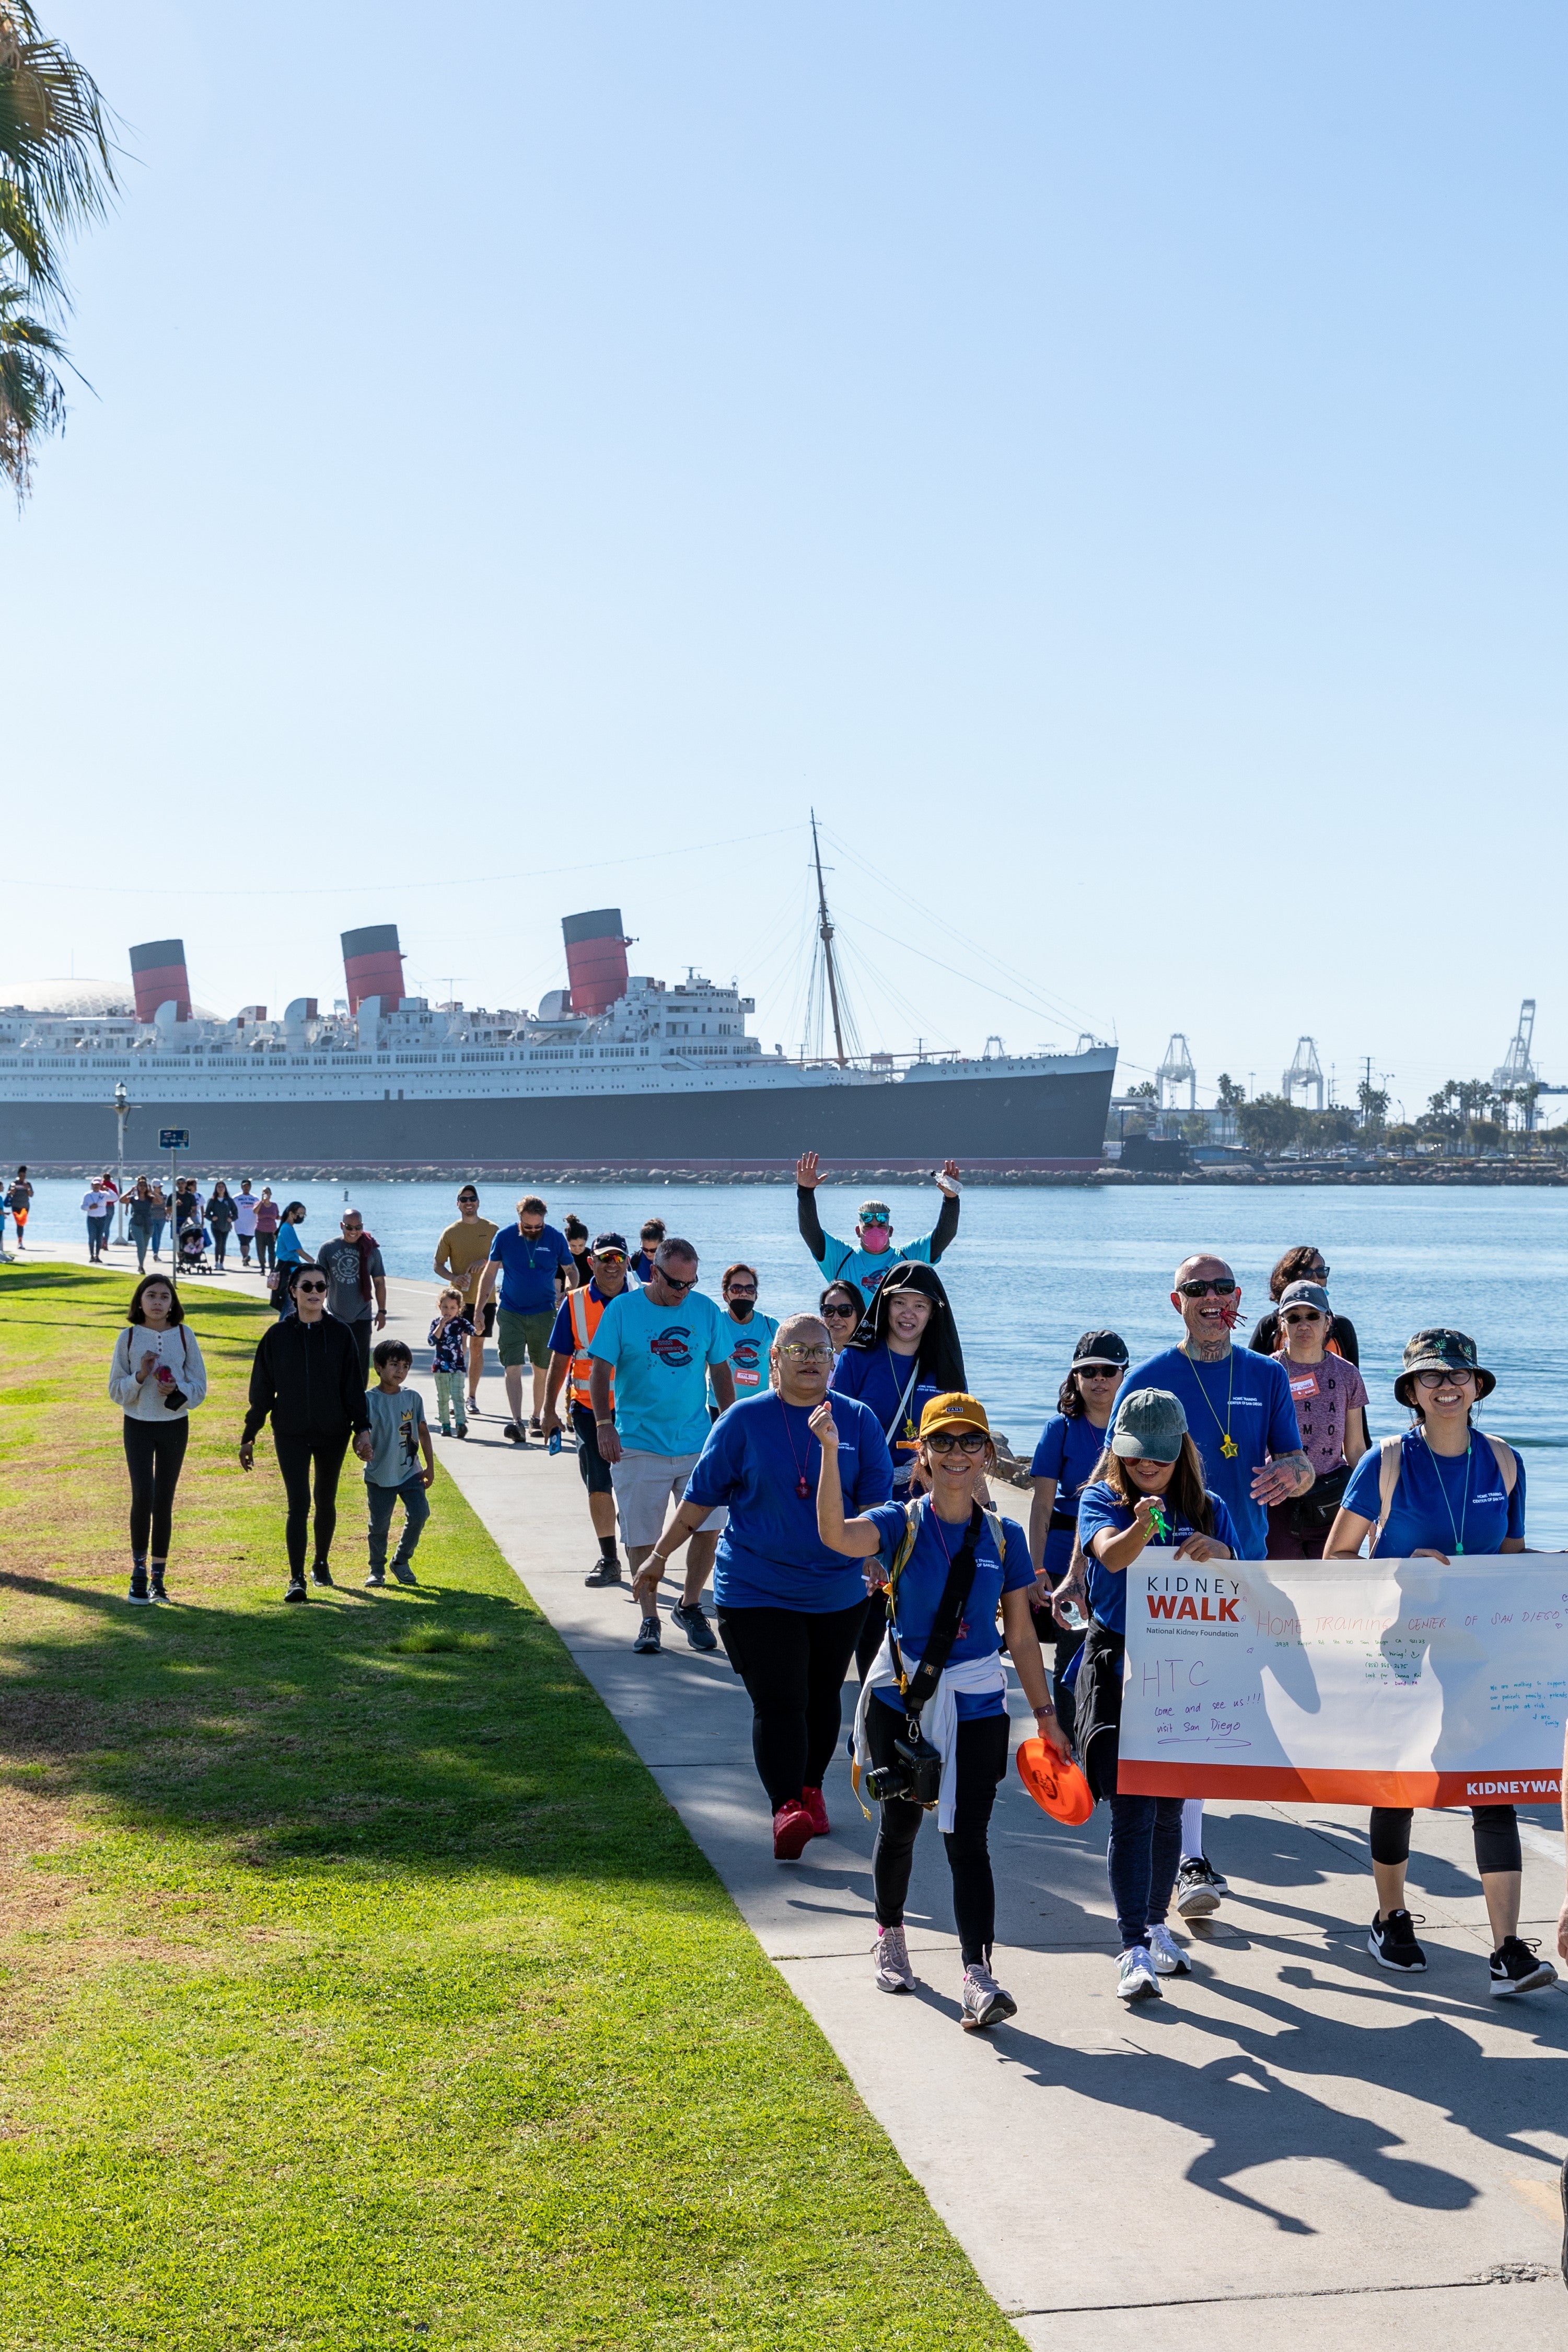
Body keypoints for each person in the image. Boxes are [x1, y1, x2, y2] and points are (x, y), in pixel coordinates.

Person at [816, 1390, 1067, 2030]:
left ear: (986, 1453)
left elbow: (1018, 1636)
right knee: (899, 1829)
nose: (957, 1453)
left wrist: (1045, 1715)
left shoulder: (1005, 1537)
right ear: (922, 1454)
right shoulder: (901, 1522)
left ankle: (978, 1976)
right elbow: (835, 1535)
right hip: (903, 1703)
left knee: (968, 1840)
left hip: (979, 1703)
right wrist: (826, 1453)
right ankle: (890, 1934)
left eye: (969, 1441)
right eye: (944, 1441)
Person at [1326, 1328, 1556, 1997]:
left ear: (1477, 1386)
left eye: (1458, 1374)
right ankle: (1390, 1916)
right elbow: (1335, 1563)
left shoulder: (1506, 1462)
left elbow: (1509, 1562)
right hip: (1398, 1653)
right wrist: (1403, 1568)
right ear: (1411, 1393)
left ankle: (1507, 1951)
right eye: (1430, 1377)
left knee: (1494, 1793)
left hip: (1478, 1659)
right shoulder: (1386, 1461)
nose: (1446, 1384)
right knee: (1397, 1788)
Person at [635, 1316, 893, 1858]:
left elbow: (875, 1507)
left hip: (836, 1590)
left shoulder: (860, 1421)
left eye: (820, 1350)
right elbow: (700, 1499)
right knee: (780, 1699)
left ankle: (810, 1790)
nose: (810, 1358)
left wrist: (877, 1557)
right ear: (774, 1357)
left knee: (823, 1696)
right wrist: (658, 1557)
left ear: (834, 1358)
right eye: (797, 1349)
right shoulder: (741, 1421)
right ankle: (785, 1809)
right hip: (755, 1588)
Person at [1122, 1253, 1311, 1914]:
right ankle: (1190, 1859)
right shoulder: (1148, 1379)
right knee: (1187, 1716)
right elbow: (1111, 1473)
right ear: (1175, 1301)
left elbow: (1295, 1456)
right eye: (1196, 1289)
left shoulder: (1265, 1373)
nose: (1211, 1298)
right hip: (1171, 1579)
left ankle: (1180, 1849)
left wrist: (1295, 1474)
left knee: (1222, 1715)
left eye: (1223, 1288)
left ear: (1236, 1299)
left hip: (1244, 1563)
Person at [1075, 1389, 1239, 2005]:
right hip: (1121, 1666)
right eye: (1137, 1458)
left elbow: (1247, 1583)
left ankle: (1154, 1924)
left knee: (1170, 1808)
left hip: (1188, 1671)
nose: (1148, 1468)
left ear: (1181, 1453)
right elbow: (1108, 1558)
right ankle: (1131, 1946)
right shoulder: (1100, 1499)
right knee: (1132, 1812)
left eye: (1160, 1460)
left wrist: (1221, 1553)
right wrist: (1140, 1526)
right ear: (1118, 1452)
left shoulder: (1210, 1506)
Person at [586, 1237, 737, 1653]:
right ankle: (649, 1617)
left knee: (710, 1526)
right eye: (675, 1284)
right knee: (642, 1536)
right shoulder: (623, 1310)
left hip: (695, 1442)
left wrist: (731, 1425)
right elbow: (600, 1371)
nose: (683, 1292)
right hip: (637, 1443)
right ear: (654, 1272)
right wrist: (604, 1424)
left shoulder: (705, 1310)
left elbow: (721, 1371)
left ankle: (689, 1605)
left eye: (690, 1283)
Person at [831, 1261, 968, 1679]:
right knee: (868, 1602)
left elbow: (962, 1439)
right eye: (900, 1303)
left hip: (923, 1502)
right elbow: (834, 1429)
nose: (909, 1314)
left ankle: (910, 1686)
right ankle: (872, 1690)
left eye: (920, 1306)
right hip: (865, 1499)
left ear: (933, 1313)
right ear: (884, 1306)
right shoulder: (856, 1359)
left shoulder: (942, 1365)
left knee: (917, 1599)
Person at [240, 1260, 374, 1601]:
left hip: (333, 1430)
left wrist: (362, 1429)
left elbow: (353, 1388)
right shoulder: (277, 1336)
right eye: (307, 1286)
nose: (315, 1292)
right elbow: (262, 1390)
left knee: (325, 1498)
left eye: (320, 1287)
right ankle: (296, 1578)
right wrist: (250, 1433)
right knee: (298, 1501)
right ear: (293, 1291)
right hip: (291, 1431)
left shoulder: (341, 1334)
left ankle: (321, 1563)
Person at [1029, 1331, 1129, 1709]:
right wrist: (1036, 1570)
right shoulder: (1060, 1429)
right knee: (1070, 1654)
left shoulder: (1134, 1426)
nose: (1098, 1380)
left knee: (1119, 1654)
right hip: (1062, 1563)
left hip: (1121, 1557)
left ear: (1124, 1375)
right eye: (1088, 1371)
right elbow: (1040, 1505)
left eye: (1108, 1371)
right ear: (1075, 1377)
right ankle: (1068, 1744)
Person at [108, 1272, 209, 1604]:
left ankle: (158, 1579)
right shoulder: (127, 1338)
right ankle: (138, 1573)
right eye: (151, 1295)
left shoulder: (185, 1336)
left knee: (164, 1500)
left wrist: (176, 1389)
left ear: (173, 1303)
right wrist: (140, 1376)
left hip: (174, 1425)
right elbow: (115, 1391)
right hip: (138, 1425)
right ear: (140, 1301)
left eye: (165, 1297)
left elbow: (200, 1388)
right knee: (143, 1496)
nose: (157, 1302)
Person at [541, 1232, 633, 1586]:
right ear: (591, 1262)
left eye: (619, 1259)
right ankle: (609, 1558)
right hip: (588, 1413)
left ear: (628, 1262)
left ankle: (641, 1551)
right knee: (598, 1484)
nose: (612, 1266)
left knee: (636, 1485)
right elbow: (560, 1357)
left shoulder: (643, 1301)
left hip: (635, 1411)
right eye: (605, 1259)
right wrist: (548, 1410)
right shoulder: (574, 1302)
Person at [1264, 1279, 1369, 1559]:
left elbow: (1356, 1448)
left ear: (1328, 1322)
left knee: (1330, 1587)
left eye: (1312, 1316)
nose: (1304, 1325)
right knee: (1281, 1587)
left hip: (1331, 1498)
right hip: (1277, 1497)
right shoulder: (1265, 1372)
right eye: (1294, 1317)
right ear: (1282, 1323)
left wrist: (1373, 1506)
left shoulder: (1348, 1374)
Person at [795, 1153, 962, 1308]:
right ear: (857, 1231)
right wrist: (805, 1192)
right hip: (852, 1339)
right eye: (868, 1226)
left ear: (890, 1231)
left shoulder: (907, 1260)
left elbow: (945, 1234)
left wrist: (951, 1199)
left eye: (881, 1226)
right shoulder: (841, 1258)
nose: (875, 1230)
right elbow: (810, 1231)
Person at [472, 1195, 574, 1442]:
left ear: (543, 1221)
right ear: (519, 1220)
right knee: (513, 1366)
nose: (533, 1230)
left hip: (544, 1312)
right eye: (528, 1226)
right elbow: (489, 1275)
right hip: (511, 1312)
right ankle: (516, 1421)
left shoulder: (555, 1238)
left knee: (541, 1369)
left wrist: (567, 1293)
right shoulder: (505, 1238)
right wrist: (479, 1310)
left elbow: (572, 1271)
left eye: (537, 1226)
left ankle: (536, 1418)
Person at [363, 1339, 435, 1588]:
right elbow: (360, 1436)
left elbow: (423, 1432)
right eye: (394, 1365)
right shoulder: (368, 1400)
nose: (400, 1372)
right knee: (379, 1525)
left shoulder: (413, 1398)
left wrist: (430, 1467)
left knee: (420, 1514)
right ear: (379, 1367)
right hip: (380, 1474)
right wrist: (361, 1449)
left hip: (410, 1472)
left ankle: (401, 1561)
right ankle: (376, 1571)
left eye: (405, 1366)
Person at [431, 1185, 499, 1416]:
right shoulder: (451, 1232)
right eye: (464, 1199)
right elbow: (437, 1265)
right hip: (457, 1303)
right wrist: (454, 1277)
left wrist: (485, 1261)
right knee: (458, 1348)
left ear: (478, 1202)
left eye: (472, 1199)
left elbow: (505, 1259)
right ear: (458, 1203)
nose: (468, 1202)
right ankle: (455, 1396)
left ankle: (471, 1397)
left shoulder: (492, 1230)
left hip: (486, 1300)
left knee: (477, 1348)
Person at [1248, 1245, 1360, 1364]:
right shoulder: (1269, 1326)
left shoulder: (1342, 1327)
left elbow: (1353, 1376)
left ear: (1327, 1323)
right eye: (1307, 1273)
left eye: (1321, 1272)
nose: (1316, 1278)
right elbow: (1251, 1372)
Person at [317, 1209, 388, 1380]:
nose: (354, 1232)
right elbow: (319, 1282)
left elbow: (379, 1283)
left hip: (362, 1317)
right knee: (334, 1361)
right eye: (349, 1227)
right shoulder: (328, 1248)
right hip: (335, 1316)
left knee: (360, 1364)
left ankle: (359, 1401)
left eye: (358, 1227)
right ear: (342, 1226)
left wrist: (382, 1311)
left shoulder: (371, 1250)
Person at [717, 1264, 779, 1403]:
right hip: (721, 1406)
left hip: (759, 1404)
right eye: (737, 1289)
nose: (744, 1294)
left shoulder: (770, 1325)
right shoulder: (716, 1322)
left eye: (750, 1289)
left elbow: (779, 1370)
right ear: (725, 1296)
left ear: (756, 1295)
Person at [428, 1289, 476, 1436]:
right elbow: (431, 1341)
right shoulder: (436, 1323)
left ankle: (461, 1423)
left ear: (459, 1309)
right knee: (443, 1398)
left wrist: (480, 1324)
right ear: (439, 1306)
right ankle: (445, 1424)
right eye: (445, 1307)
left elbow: (476, 1332)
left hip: (458, 1366)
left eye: (453, 1308)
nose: (448, 1311)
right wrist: (441, 1326)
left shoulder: (462, 1323)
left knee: (457, 1396)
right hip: (440, 1367)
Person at [271, 1200, 308, 1313]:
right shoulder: (287, 1229)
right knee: (290, 1306)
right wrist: (316, 1263)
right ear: (292, 1214)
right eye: (300, 1214)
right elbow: (300, 1252)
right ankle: (283, 1329)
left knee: (289, 1306)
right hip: (288, 1272)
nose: (301, 1217)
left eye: (303, 1215)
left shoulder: (286, 1228)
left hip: (286, 1269)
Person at [125, 1176, 157, 1273]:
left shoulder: (150, 1198)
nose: (143, 1187)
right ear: (137, 1186)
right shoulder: (134, 1198)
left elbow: (161, 1201)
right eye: (140, 1185)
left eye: (144, 1185)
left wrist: (153, 1192)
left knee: (145, 1246)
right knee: (141, 1244)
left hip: (148, 1224)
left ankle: (141, 1264)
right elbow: (122, 1200)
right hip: (136, 1223)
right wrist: (130, 1191)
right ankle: (141, 1266)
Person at [819, 1280, 862, 1352]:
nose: (836, 1318)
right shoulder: (811, 1356)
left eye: (844, 1310)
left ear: (858, 1313)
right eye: (829, 1310)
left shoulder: (873, 1356)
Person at [206, 1180, 238, 1269]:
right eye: (219, 1187)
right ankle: (216, 1262)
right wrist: (212, 1218)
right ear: (216, 1189)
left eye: (222, 1187)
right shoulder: (213, 1200)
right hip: (216, 1226)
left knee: (223, 1244)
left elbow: (236, 1213)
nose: (221, 1189)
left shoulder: (229, 1200)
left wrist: (231, 1219)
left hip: (226, 1226)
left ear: (225, 1189)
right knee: (218, 1243)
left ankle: (222, 1263)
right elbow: (207, 1213)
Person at [81, 1177, 113, 1262]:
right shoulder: (88, 1195)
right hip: (92, 1219)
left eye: (98, 1185)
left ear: (101, 1186)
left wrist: (108, 1189)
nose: (96, 1186)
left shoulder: (104, 1194)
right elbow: (83, 1206)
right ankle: (92, 1255)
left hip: (102, 1219)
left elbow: (115, 1198)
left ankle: (97, 1255)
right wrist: (89, 1208)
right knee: (92, 1237)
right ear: (92, 1185)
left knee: (99, 1238)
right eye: (95, 1185)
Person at [252, 1186, 280, 1277]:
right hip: (260, 1231)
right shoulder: (259, 1204)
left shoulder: (274, 1205)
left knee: (272, 1251)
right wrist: (262, 1202)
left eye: (267, 1192)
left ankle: (272, 1269)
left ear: (271, 1194)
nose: (266, 1194)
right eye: (264, 1192)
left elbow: (277, 1216)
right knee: (261, 1251)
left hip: (272, 1232)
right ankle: (263, 1268)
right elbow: (255, 1212)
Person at [233, 1179, 260, 1268]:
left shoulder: (255, 1198)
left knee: (247, 1241)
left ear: (250, 1187)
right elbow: (231, 1210)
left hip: (252, 1225)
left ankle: (245, 1257)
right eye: (244, 1186)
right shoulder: (236, 1198)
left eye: (248, 1186)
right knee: (243, 1241)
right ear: (241, 1187)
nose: (246, 1188)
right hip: (240, 1224)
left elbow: (259, 1210)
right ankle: (245, 1257)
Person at [631, 1218, 666, 1282]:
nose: (649, 1254)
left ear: (662, 1244)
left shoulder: (670, 1262)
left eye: (653, 1250)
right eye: (645, 1249)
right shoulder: (634, 1260)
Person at [562, 1213, 591, 1289]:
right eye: (573, 1246)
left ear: (586, 1241)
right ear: (568, 1241)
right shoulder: (563, 1256)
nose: (577, 1249)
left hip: (588, 1294)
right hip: (567, 1294)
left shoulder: (592, 1256)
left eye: (581, 1245)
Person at [7, 1167, 32, 1250]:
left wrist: (28, 1188)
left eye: (24, 1176)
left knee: (22, 1224)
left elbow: (31, 1195)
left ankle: (20, 1241)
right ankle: (20, 1242)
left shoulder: (28, 1184)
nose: (22, 1177)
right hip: (16, 1206)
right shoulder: (13, 1184)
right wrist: (11, 1192)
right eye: (21, 1175)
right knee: (19, 1224)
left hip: (25, 1207)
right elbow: (9, 1194)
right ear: (18, 1175)